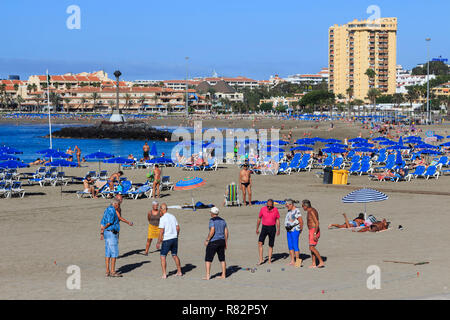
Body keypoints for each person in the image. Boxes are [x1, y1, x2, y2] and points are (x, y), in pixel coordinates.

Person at [100, 198, 133, 277]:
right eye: (118, 205)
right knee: (114, 253)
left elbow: (102, 221)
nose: (118, 206)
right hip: (111, 233)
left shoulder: (107, 209)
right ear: (114, 204)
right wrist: (105, 227)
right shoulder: (112, 210)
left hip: (107, 233)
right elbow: (109, 222)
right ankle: (112, 271)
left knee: (107, 253)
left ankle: (107, 271)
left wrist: (102, 231)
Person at [156, 203, 182, 278]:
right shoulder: (173, 216)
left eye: (160, 209)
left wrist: (158, 242)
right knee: (174, 255)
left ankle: (164, 274)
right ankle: (179, 271)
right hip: (174, 238)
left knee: (163, 256)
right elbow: (178, 228)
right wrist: (177, 236)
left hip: (167, 239)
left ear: (162, 209)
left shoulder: (162, 218)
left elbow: (161, 231)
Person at [203, 207, 229, 280]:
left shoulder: (212, 220)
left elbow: (212, 230)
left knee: (208, 259)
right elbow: (226, 232)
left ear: (212, 213)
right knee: (222, 258)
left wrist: (207, 239)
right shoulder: (223, 221)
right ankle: (223, 274)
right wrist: (226, 242)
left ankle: (208, 275)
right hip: (222, 241)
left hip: (214, 241)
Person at [256, 199, 280, 265]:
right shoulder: (263, 209)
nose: (269, 207)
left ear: (273, 205)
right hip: (264, 227)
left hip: (272, 228)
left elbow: (277, 220)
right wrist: (257, 228)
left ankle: (269, 260)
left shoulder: (275, 210)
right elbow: (259, 218)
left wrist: (278, 229)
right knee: (260, 243)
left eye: (270, 206)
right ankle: (261, 259)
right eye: (268, 206)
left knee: (271, 245)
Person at [301, 199, 325, 268]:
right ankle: (314, 263)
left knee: (311, 247)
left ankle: (321, 261)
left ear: (306, 206)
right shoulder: (310, 210)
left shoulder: (311, 211)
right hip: (312, 230)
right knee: (312, 247)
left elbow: (317, 222)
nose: (302, 207)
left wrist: (315, 233)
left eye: (303, 206)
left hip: (314, 230)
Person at [284, 200, 303, 268]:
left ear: (291, 204)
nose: (286, 207)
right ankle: (292, 261)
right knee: (290, 245)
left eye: (287, 205)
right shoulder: (289, 211)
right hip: (289, 230)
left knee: (295, 245)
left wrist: (300, 229)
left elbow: (300, 220)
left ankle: (298, 262)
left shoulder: (296, 210)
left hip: (295, 230)